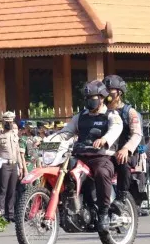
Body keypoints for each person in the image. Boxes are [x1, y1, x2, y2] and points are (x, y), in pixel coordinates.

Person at [60, 81, 123, 231]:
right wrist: (49, 140)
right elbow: (66, 132)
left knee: (102, 173)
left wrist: (104, 139)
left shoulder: (111, 115)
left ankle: (104, 213)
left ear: (102, 98)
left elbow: (116, 129)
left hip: (102, 158)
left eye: (92, 97)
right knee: (64, 173)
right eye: (87, 97)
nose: (89, 100)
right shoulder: (80, 116)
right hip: (81, 157)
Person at [103, 75, 143, 213]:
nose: (106, 94)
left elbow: (137, 134)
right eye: (105, 91)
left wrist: (126, 148)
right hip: (105, 152)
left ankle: (122, 197)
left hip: (124, 152)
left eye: (110, 91)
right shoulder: (100, 112)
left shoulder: (129, 112)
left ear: (119, 93)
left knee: (122, 162)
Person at [0, 111, 24, 222]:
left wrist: (21, 166)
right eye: (7, 121)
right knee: (2, 190)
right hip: (4, 164)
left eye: (11, 121)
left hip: (14, 164)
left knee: (12, 190)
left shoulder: (14, 135)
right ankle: (1, 213)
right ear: (3, 121)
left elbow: (18, 151)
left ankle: (10, 213)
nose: (9, 123)